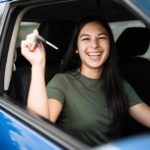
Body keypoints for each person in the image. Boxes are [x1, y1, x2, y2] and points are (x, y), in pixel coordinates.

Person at [21, 16, 150, 146]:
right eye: (86, 39)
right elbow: (39, 126)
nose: (94, 45)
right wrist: (38, 64)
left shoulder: (118, 84)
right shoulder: (63, 82)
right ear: (76, 48)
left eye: (101, 38)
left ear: (110, 44)